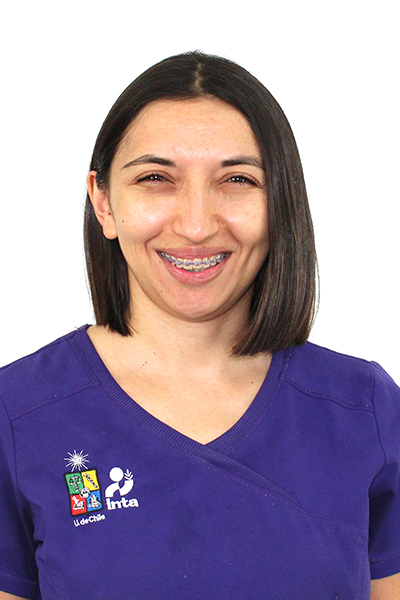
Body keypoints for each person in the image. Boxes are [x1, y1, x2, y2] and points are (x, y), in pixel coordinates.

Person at [0, 51, 399, 600]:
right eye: (155, 178)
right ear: (103, 202)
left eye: (237, 179)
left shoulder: (365, 409)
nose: (195, 225)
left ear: (280, 202)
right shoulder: (18, 412)